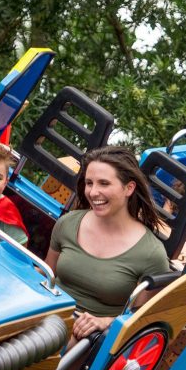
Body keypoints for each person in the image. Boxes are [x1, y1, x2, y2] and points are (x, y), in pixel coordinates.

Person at [45, 146, 170, 342]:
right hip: (47, 313)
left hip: (88, 337)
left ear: (129, 188)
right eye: (89, 183)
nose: (93, 192)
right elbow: (46, 274)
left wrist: (106, 321)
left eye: (104, 183)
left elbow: (141, 319)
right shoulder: (68, 223)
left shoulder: (151, 253)